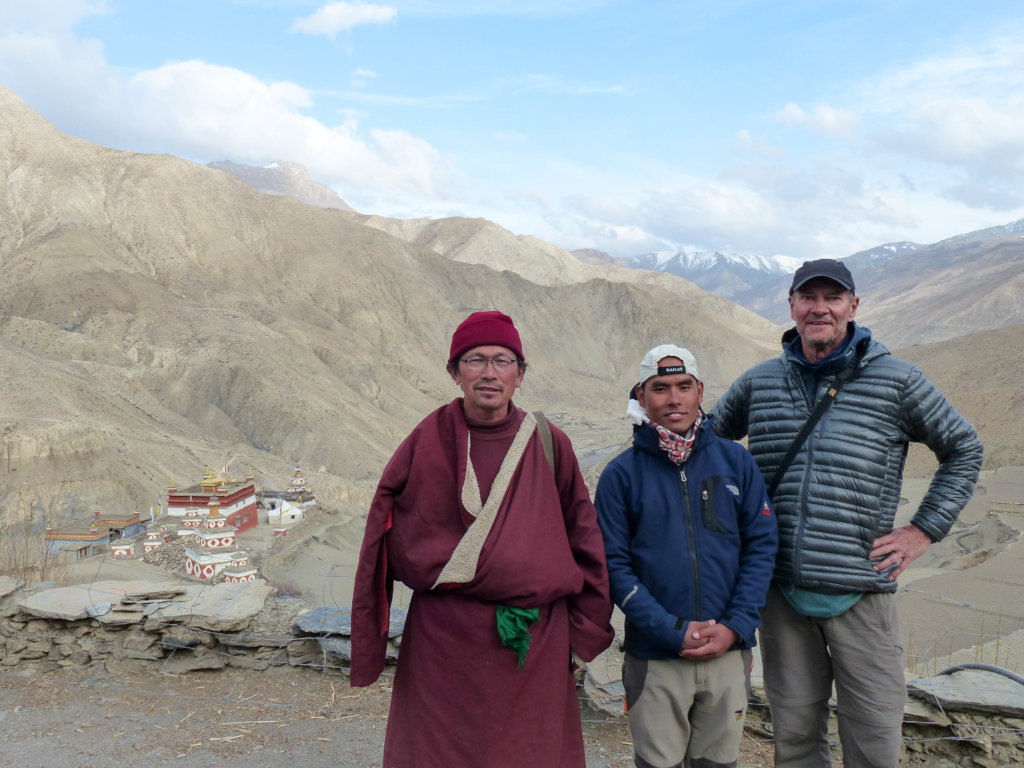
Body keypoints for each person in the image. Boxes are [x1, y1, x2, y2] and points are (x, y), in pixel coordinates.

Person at [711, 258, 984, 768]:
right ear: (790, 304)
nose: (819, 309)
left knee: (875, 738)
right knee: (793, 736)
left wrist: (923, 530)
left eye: (831, 298)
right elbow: (705, 445)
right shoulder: (759, 382)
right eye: (808, 297)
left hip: (862, 587)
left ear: (853, 307)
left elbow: (964, 447)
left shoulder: (898, 381)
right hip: (780, 590)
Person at [350, 310, 615, 768]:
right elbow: (381, 536)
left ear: (521, 375)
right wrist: (368, 638)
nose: (489, 373)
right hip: (442, 643)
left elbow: (585, 540)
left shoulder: (551, 444)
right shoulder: (425, 443)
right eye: (475, 360)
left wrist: (583, 635)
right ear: (455, 372)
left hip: (534, 642)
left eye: (502, 360)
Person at [595, 344, 778, 768]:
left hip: (729, 653)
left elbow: (761, 546)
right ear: (641, 396)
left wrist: (735, 625)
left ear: (700, 391)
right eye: (660, 388)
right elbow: (614, 565)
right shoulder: (620, 475)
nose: (674, 399)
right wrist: (669, 629)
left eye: (683, 386)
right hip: (655, 657)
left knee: (718, 762)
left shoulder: (736, 462)